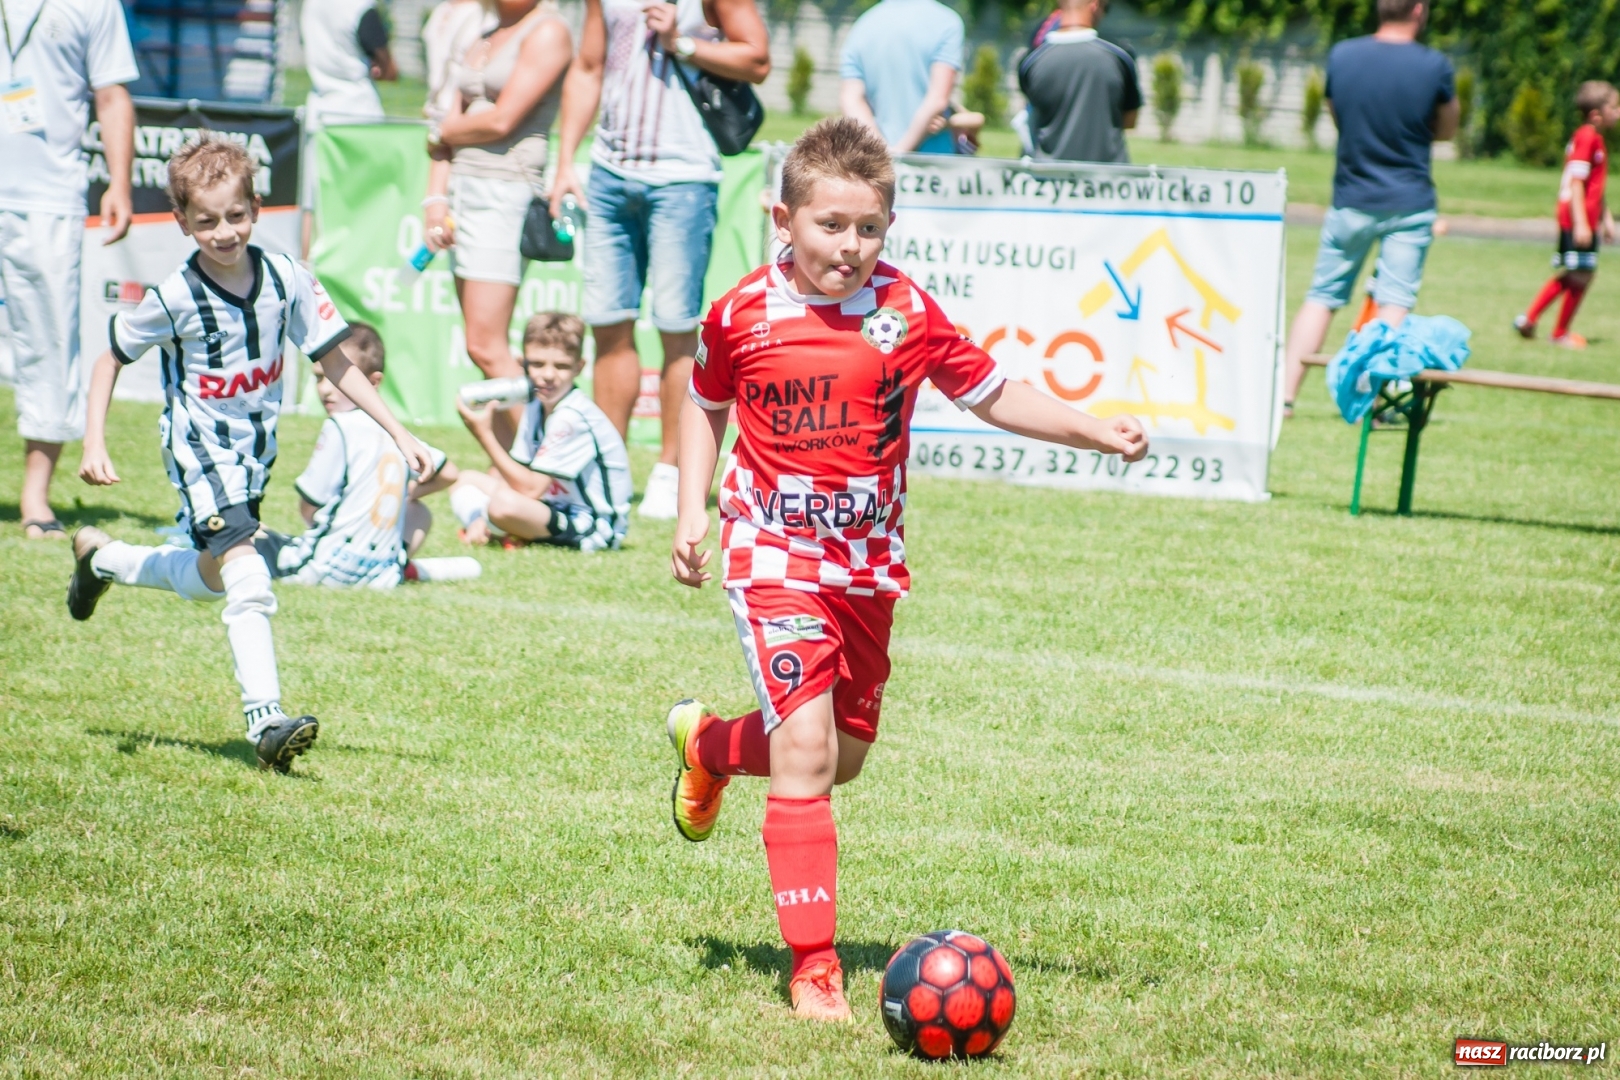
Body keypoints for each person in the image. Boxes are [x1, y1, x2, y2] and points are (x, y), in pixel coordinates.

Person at [664, 118, 1149, 1020]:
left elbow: (994, 390)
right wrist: (691, 508)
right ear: (784, 218)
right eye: (830, 227)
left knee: (838, 760)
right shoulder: (740, 314)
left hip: (867, 569)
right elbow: (704, 401)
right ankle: (813, 969)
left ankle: (710, 747)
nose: (849, 248)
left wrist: (1093, 427)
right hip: (772, 557)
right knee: (805, 752)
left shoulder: (906, 312)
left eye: (869, 229)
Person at [65, 139, 436, 774]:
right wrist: (93, 439)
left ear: (256, 209)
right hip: (199, 451)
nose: (223, 232)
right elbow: (110, 357)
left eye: (235, 216)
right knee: (248, 573)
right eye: (206, 221)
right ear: (182, 222)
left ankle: (103, 559)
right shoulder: (175, 296)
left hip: (253, 455)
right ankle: (266, 720)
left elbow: (336, 361)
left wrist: (400, 434)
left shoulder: (289, 278)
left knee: (217, 578)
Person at [549, 0, 771, 519]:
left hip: (684, 176)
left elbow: (757, 59)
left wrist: (683, 43)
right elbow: (587, 66)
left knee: (675, 329)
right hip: (607, 172)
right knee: (608, 324)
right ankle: (609, 466)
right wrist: (564, 162)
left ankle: (672, 471)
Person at [1, 0, 136, 539]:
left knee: (52, 346)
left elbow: (111, 94)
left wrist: (120, 184)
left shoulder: (96, 4)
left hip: (50, 197)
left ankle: (36, 499)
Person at [1281, 0, 1457, 415]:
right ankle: (1376, 398)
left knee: (1322, 296)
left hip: (1352, 198)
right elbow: (1447, 130)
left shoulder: (1342, 55)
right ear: (1418, 10)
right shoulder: (1435, 65)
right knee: (1393, 302)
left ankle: (1284, 396)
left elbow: (1338, 113)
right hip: (1409, 201)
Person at [424, 0, 572, 452]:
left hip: (504, 195)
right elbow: (447, 117)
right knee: (478, 346)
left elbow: (503, 119)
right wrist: (436, 200)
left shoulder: (548, 31)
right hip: (464, 194)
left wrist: (443, 130)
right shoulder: (483, 32)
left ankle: (550, 459)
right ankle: (517, 464)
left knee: (488, 347)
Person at [254, 322, 461, 588]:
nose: (325, 389)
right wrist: (403, 494)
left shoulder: (339, 426)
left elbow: (309, 506)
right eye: (319, 377)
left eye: (335, 377)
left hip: (324, 567)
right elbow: (449, 473)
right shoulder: (397, 433)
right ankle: (397, 563)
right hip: (380, 577)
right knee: (419, 513)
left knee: (251, 537)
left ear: (372, 382)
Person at [449, 313, 632, 551]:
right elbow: (518, 474)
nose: (548, 375)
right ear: (521, 363)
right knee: (464, 479)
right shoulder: (536, 403)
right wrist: (484, 516)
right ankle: (490, 527)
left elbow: (530, 488)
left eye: (561, 366)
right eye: (537, 364)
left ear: (579, 367)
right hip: (553, 505)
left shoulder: (571, 416)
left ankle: (503, 529)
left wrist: (484, 435)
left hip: (592, 525)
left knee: (503, 504)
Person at [1513, 81, 1620, 350]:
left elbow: (1594, 186)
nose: (1618, 113)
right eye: (1615, 107)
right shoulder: (1587, 137)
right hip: (1576, 218)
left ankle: (1529, 319)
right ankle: (1559, 333)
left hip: (1584, 217)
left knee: (1577, 272)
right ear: (1596, 114)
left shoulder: (1595, 139)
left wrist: (1606, 220)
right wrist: (1583, 223)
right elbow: (1575, 182)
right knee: (1582, 274)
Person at [300, 0, 399, 253]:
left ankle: (306, 265)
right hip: (359, 113)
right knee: (361, 200)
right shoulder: (361, 8)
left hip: (321, 108)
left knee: (312, 202)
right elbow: (390, 70)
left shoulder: (312, 5)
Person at [1016, 0, 1142, 163]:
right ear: (1095, 5)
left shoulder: (1031, 61)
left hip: (1049, 181)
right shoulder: (1120, 56)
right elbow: (1129, 120)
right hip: (1109, 180)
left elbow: (1032, 115)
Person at [839, 0, 963, 155]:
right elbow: (937, 99)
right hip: (933, 164)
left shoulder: (862, 25)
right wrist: (901, 151)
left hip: (877, 165)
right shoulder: (947, 22)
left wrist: (882, 152)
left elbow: (851, 99)